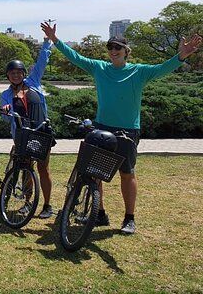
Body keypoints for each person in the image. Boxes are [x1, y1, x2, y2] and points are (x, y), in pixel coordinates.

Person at [41, 21, 201, 234]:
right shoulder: (99, 68)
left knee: (127, 173)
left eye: (118, 48)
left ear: (126, 52)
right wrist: (54, 40)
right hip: (102, 127)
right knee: (95, 173)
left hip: (128, 130)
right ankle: (99, 213)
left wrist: (181, 56)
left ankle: (129, 218)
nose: (113, 51)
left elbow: (162, 69)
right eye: (110, 47)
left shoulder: (139, 71)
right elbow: (76, 58)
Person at [0, 39, 55, 219]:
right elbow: (4, 115)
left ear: (24, 73)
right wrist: (6, 111)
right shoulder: (6, 95)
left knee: (43, 168)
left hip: (41, 132)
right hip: (22, 136)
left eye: (19, 72)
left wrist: (47, 43)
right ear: (8, 76)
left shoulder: (34, 82)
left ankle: (47, 205)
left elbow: (41, 62)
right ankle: (28, 201)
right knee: (25, 168)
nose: (16, 75)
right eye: (12, 73)